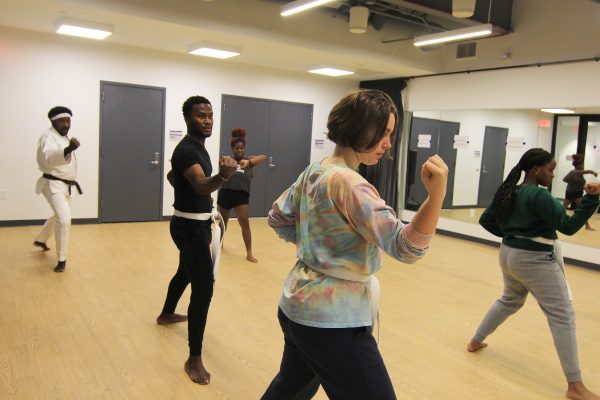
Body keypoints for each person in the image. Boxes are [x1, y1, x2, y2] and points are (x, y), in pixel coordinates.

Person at [261, 89, 448, 400]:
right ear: (358, 127)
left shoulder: (316, 170)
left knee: (290, 389)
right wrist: (436, 196)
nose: (388, 144)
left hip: (298, 305)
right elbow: (406, 247)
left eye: (391, 134)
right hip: (332, 321)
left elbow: (277, 217)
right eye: (383, 133)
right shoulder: (350, 183)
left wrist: (316, 249)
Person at [467, 148, 600, 400]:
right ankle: (575, 386)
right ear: (536, 170)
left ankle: (476, 340)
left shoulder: (510, 191)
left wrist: (513, 234)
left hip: (508, 254)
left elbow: (486, 220)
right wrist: (593, 200)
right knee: (563, 315)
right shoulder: (539, 196)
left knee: (509, 300)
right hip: (535, 259)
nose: (552, 175)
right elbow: (569, 227)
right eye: (550, 170)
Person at [155, 96, 237, 385]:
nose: (207, 120)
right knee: (204, 287)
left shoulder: (197, 149)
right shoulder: (187, 150)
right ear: (188, 118)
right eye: (201, 115)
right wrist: (222, 177)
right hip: (189, 228)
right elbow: (202, 185)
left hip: (196, 225)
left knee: (185, 272)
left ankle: (166, 314)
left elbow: (171, 175)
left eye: (210, 115)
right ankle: (194, 357)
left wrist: (185, 182)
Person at [34, 106, 82, 273]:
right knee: (64, 219)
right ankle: (61, 260)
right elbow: (50, 158)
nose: (66, 124)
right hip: (52, 184)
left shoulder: (62, 136)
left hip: (66, 186)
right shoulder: (48, 137)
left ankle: (41, 239)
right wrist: (69, 149)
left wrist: (68, 147)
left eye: (68, 120)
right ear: (53, 121)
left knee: (60, 216)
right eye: (62, 120)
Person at [217, 128, 266, 263]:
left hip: (241, 196)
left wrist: (249, 162)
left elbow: (264, 157)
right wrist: (223, 162)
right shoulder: (228, 160)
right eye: (237, 149)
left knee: (244, 222)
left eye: (241, 149)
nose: (239, 151)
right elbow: (220, 166)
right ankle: (219, 245)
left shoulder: (249, 161)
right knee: (223, 223)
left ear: (244, 149)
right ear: (232, 149)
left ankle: (249, 253)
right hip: (226, 193)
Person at [563, 153, 598, 231]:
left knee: (564, 208)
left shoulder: (573, 172)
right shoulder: (577, 172)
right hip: (573, 193)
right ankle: (587, 226)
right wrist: (594, 173)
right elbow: (589, 171)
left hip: (573, 192)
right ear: (579, 165)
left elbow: (565, 179)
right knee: (582, 210)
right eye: (583, 164)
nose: (583, 166)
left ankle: (587, 226)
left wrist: (574, 182)